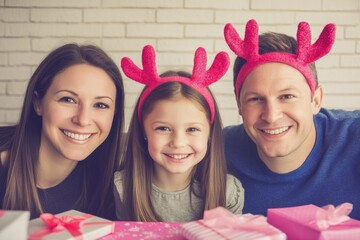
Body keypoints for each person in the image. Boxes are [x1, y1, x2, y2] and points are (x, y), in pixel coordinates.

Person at [223, 19, 360, 219]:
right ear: (239, 104)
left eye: (287, 96)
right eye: (256, 99)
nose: (271, 116)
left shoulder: (355, 139)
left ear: (315, 100)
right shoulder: (218, 150)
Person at [114, 45, 244, 222]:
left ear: (209, 134)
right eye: (163, 128)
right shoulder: (122, 188)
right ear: (143, 130)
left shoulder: (228, 193)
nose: (178, 142)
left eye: (192, 129)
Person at [0, 43, 125, 220]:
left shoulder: (114, 182)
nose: (83, 120)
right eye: (68, 99)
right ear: (38, 103)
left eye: (100, 105)